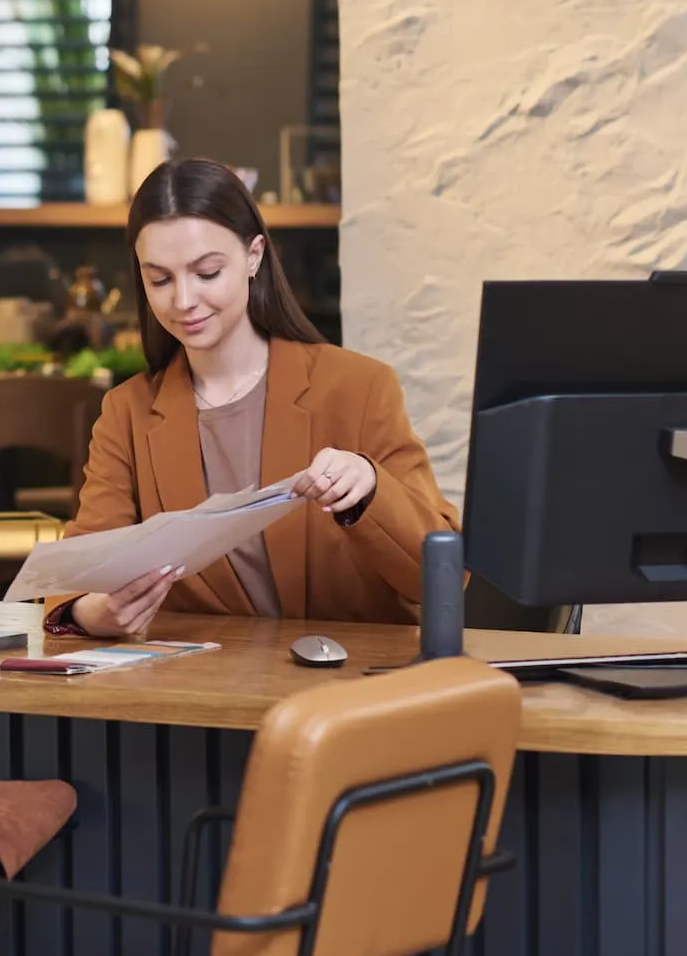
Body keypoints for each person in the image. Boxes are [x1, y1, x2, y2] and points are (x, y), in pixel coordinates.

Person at [46, 159, 456, 639]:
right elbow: (78, 573)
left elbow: (442, 580)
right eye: (159, 279)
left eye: (207, 272)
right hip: (203, 692)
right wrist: (90, 612)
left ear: (254, 256)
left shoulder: (359, 388)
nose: (183, 300)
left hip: (347, 693)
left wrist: (369, 488)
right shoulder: (127, 413)